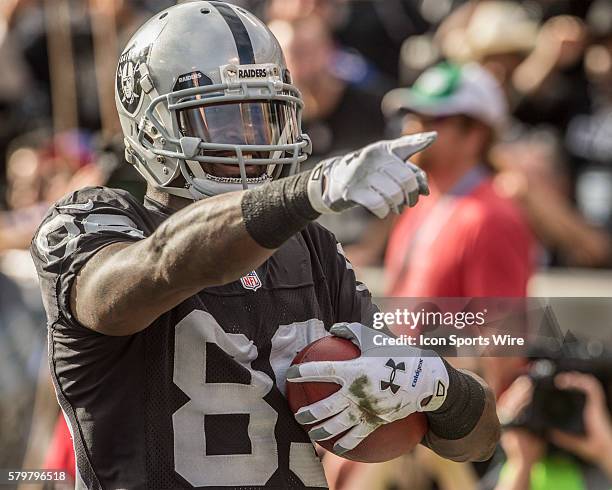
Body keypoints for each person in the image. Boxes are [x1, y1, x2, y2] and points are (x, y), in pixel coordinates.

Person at [30, 3, 499, 489]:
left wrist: (442, 390)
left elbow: (480, 439)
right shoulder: (98, 222)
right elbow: (156, 268)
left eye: (264, 117)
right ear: (154, 123)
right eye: (226, 121)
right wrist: (303, 194)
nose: (252, 142)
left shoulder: (310, 248)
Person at [383, 62, 534, 297]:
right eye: (413, 117)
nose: (413, 129)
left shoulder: (492, 221)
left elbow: (502, 333)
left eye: (433, 119)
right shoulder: (419, 202)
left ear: (475, 135)